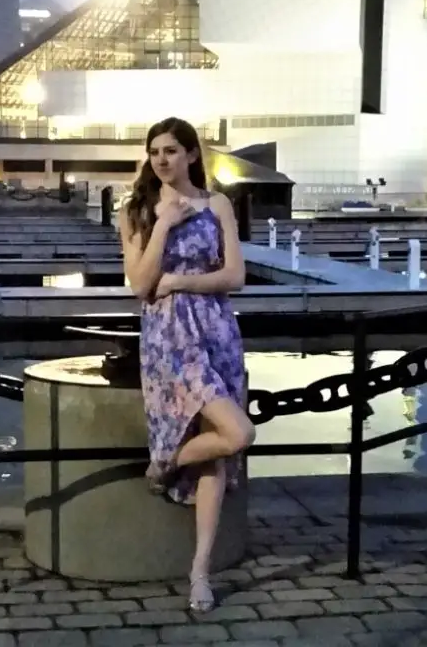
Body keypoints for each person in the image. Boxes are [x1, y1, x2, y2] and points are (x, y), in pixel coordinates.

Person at [119, 117, 255, 614]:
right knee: (239, 433)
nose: (161, 159)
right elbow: (140, 284)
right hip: (169, 342)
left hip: (217, 332)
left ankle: (199, 572)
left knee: (218, 455)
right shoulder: (136, 209)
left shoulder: (217, 203)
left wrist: (181, 282)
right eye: (154, 151)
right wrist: (164, 224)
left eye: (172, 150)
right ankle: (168, 461)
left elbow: (235, 274)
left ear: (192, 155)